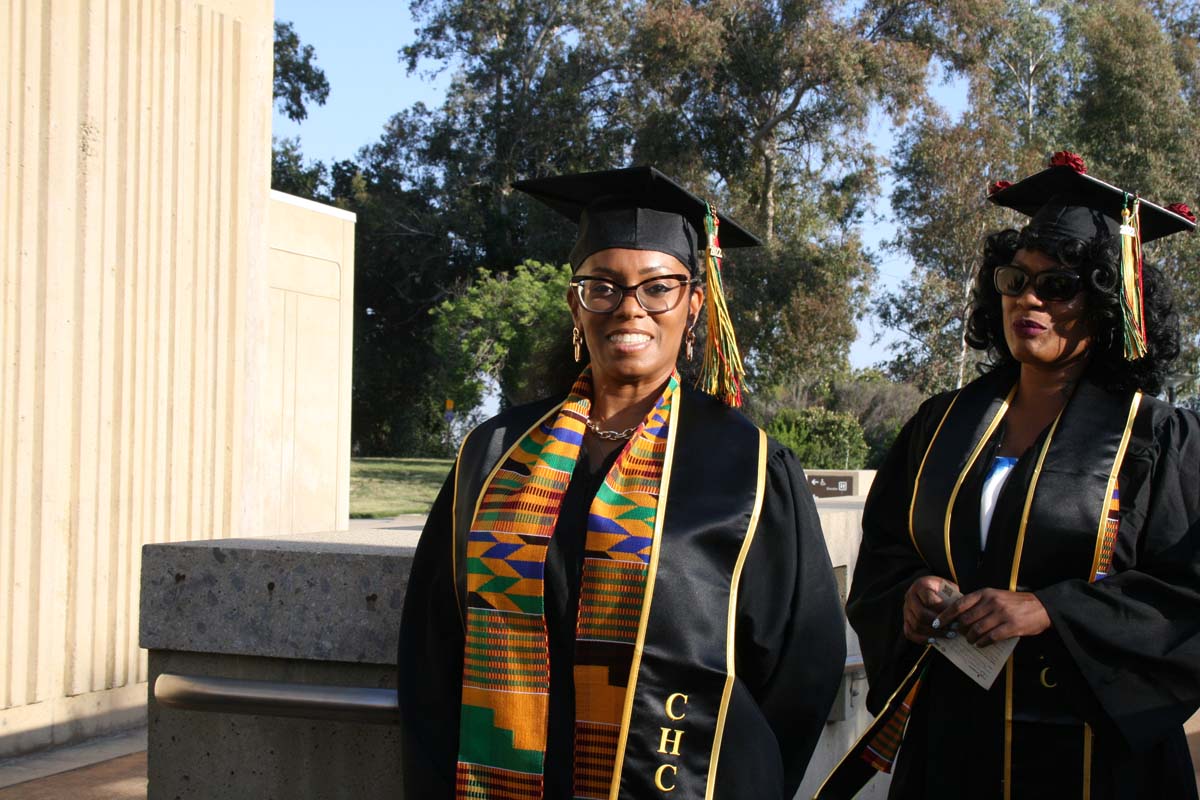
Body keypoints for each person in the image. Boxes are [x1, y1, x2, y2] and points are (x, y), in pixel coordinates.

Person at [398, 166, 845, 800]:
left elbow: (802, 665)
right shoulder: (495, 454)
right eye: (601, 285)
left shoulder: (748, 465)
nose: (629, 307)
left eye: (658, 287)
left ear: (695, 304)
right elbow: (433, 647)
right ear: (575, 304)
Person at [816, 153, 1200, 800]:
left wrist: (1050, 610)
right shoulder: (942, 425)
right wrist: (909, 594)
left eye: (1059, 286)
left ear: (1110, 302)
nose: (1029, 298)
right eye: (1015, 279)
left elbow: (1186, 598)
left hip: (1092, 760)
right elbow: (885, 549)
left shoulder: (1157, 438)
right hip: (953, 745)